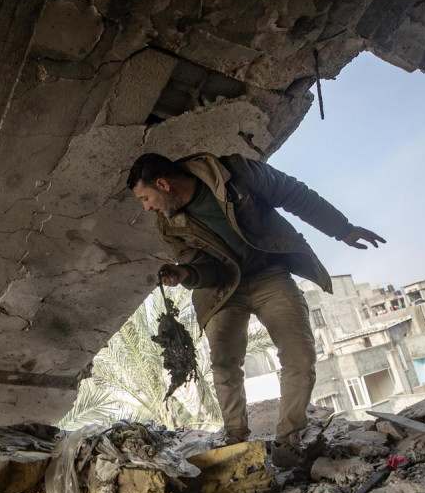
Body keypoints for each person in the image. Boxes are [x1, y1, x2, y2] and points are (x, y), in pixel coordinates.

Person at [127, 152, 384, 464]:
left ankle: (288, 443)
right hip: (222, 289)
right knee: (224, 362)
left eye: (145, 197)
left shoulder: (235, 173)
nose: (147, 207)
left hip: (269, 275)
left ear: (163, 184)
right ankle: (235, 439)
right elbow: (204, 268)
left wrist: (342, 229)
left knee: (299, 355)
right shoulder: (169, 223)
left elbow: (294, 193)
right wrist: (186, 274)